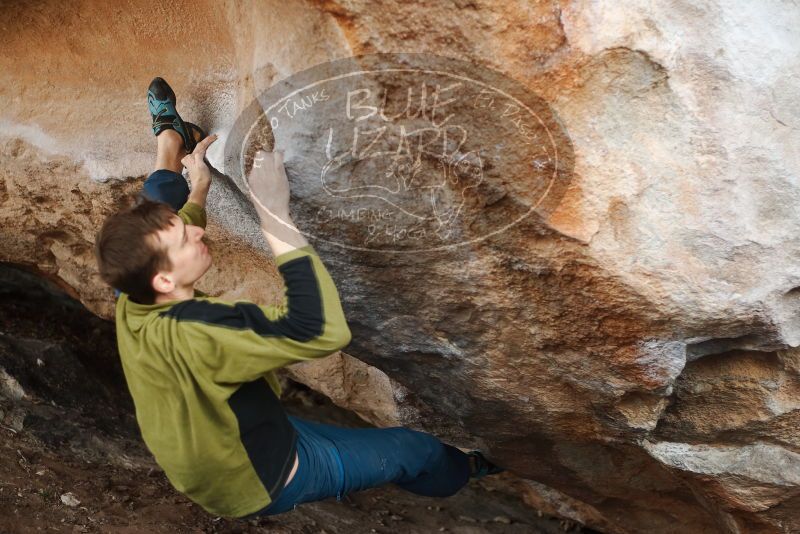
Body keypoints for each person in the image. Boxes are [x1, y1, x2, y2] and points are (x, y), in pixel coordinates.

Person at [93, 77, 503, 520]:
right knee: (416, 451)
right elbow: (319, 330)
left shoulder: (133, 294)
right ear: (166, 284)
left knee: (152, 207)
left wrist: (198, 188)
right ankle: (471, 468)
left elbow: (165, 224)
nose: (197, 229)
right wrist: (274, 214)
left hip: (227, 435)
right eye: (185, 239)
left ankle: (170, 141)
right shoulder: (202, 331)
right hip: (258, 473)